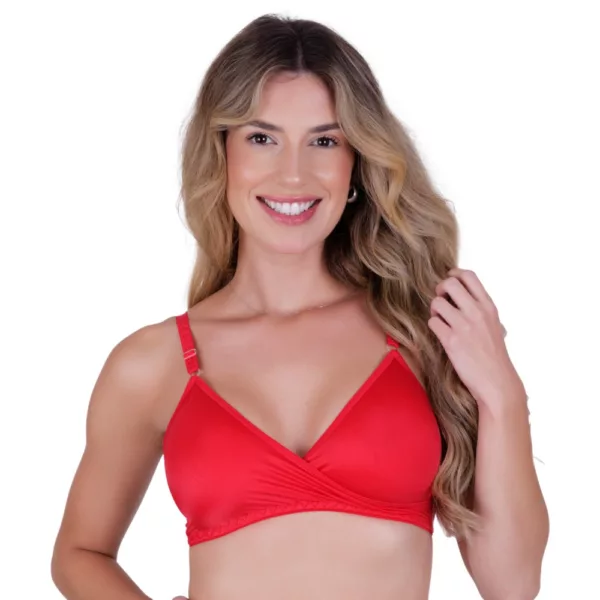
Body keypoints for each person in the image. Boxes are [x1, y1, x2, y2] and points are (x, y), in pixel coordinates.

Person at [50, 13, 549, 600]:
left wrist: (502, 394)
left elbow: (512, 585)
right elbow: (79, 554)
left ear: (356, 162)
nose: (293, 174)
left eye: (324, 141)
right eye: (262, 138)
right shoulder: (154, 363)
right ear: (222, 153)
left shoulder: (423, 333)